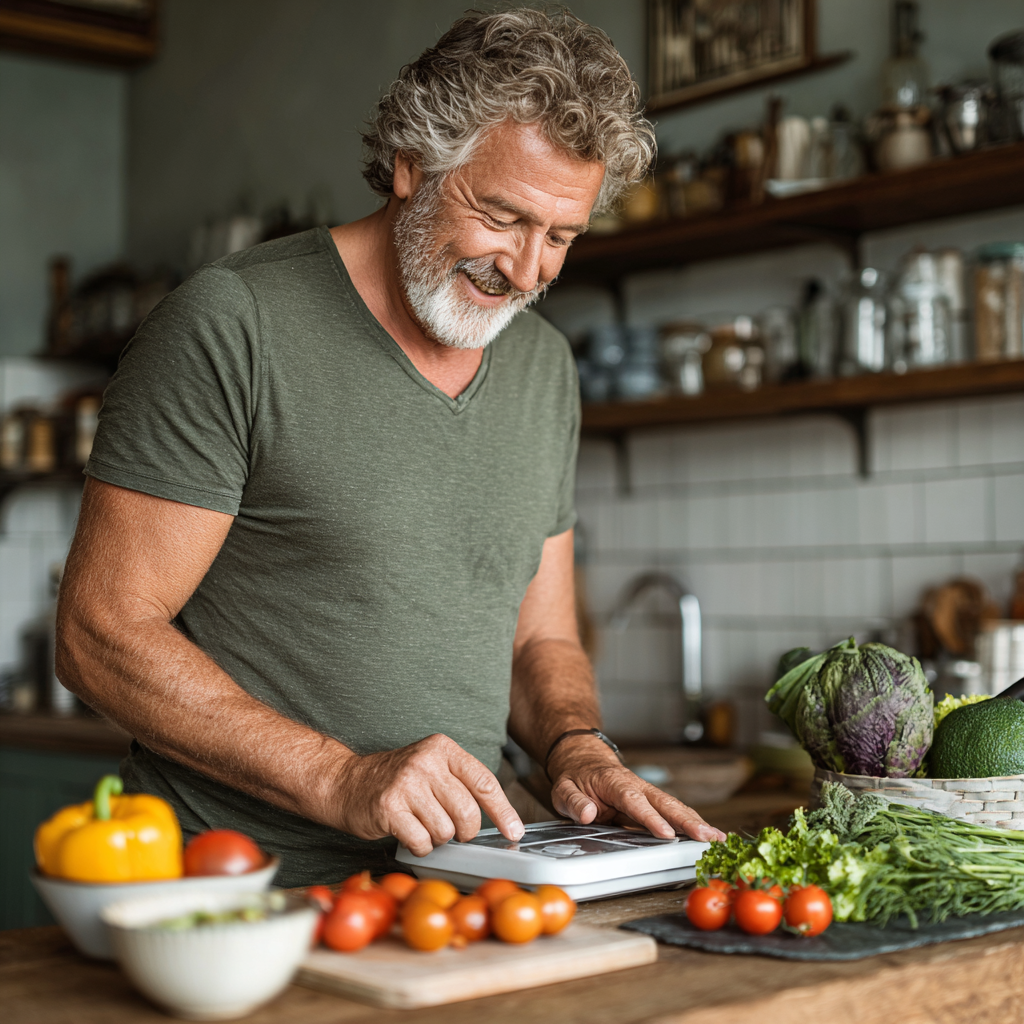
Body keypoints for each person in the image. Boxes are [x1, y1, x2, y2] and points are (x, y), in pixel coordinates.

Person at [56, 8, 725, 887]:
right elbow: (101, 631)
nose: (526, 270)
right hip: (239, 889)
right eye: (502, 216)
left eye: (561, 237)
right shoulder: (233, 325)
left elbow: (540, 640)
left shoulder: (543, 366)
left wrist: (577, 748)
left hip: (461, 891)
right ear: (412, 162)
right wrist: (340, 778)